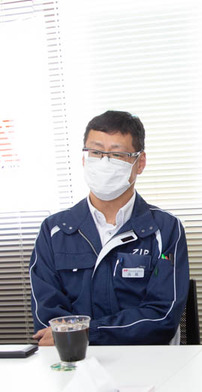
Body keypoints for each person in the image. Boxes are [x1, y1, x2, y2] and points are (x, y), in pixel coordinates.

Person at [30, 110, 189, 345]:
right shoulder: (54, 231)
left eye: (117, 154)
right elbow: (49, 322)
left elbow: (162, 316)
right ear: (84, 159)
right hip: (75, 359)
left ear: (140, 162)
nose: (104, 162)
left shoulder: (164, 229)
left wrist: (87, 332)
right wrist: (77, 338)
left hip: (145, 359)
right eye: (96, 152)